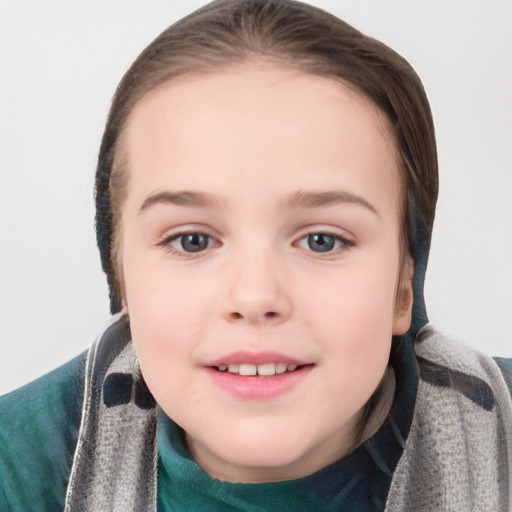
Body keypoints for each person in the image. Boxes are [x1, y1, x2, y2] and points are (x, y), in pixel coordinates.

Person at [0, 0, 510, 510]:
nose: (255, 297)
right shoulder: (18, 468)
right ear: (121, 276)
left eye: (322, 240)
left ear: (404, 285)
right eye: (191, 240)